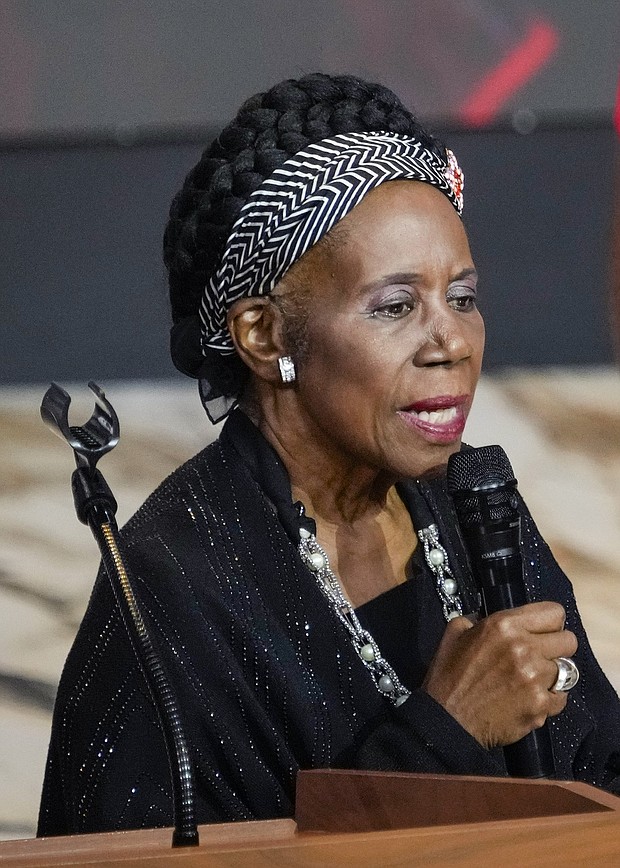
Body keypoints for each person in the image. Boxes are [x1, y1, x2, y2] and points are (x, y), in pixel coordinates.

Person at [38, 73, 620, 837]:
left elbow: (598, 767)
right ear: (264, 336)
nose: (452, 343)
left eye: (463, 297)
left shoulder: (468, 500)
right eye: (396, 305)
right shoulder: (173, 588)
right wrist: (446, 730)